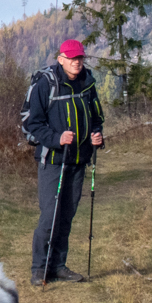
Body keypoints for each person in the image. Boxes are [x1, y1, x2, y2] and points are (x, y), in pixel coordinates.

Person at [20, 39, 104, 284]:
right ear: (61, 59)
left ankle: (58, 266)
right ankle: (39, 269)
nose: (77, 62)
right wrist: (57, 138)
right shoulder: (46, 83)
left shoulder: (87, 83)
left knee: (67, 215)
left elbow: (96, 117)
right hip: (53, 161)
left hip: (78, 160)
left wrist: (97, 135)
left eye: (80, 58)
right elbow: (30, 123)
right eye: (72, 58)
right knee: (50, 216)